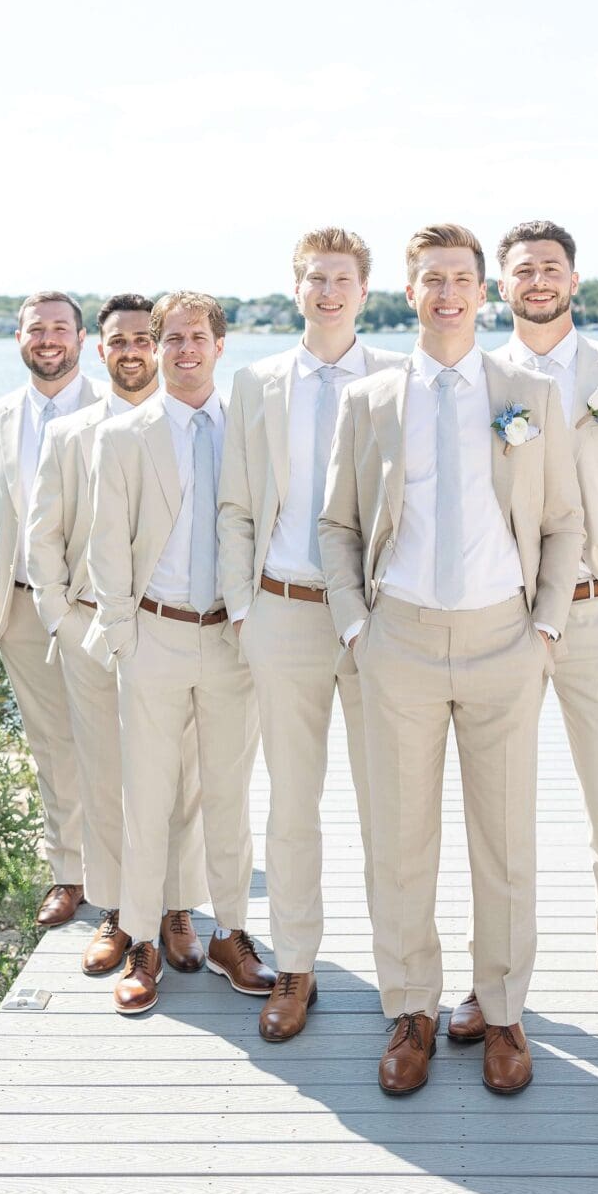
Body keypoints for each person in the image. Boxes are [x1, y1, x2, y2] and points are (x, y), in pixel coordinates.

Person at [319, 224, 584, 1099]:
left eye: (461, 279)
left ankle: (503, 1010)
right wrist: (358, 628)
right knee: (399, 841)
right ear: (409, 292)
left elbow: (560, 522)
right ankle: (411, 1009)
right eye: (430, 279)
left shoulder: (527, 393)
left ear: (483, 293)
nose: (446, 293)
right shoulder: (371, 399)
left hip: (503, 641)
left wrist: (544, 629)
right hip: (397, 641)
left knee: (505, 841)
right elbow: (338, 527)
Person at [470, 220, 598, 1049]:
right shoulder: (478, 378)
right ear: (502, 285)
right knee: (496, 812)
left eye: (550, 267)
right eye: (523, 269)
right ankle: (496, 988)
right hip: (503, 619)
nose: (538, 280)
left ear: (574, 278)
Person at [219, 229, 394, 1041]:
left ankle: (405, 982)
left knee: (390, 805)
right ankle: (295, 964)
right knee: (292, 803)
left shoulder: (400, 378)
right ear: (298, 290)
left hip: (378, 619)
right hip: (282, 611)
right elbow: (235, 505)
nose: (328, 291)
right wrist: (244, 608)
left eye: (342, 279)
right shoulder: (254, 383)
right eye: (315, 278)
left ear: (364, 291)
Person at [85, 291, 272, 1016]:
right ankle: (142, 941)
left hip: (232, 637)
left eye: (198, 337)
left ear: (220, 346)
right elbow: (106, 547)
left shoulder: (250, 432)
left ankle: (230, 931)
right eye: (171, 340)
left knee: (228, 797)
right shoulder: (125, 437)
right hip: (154, 636)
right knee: (148, 798)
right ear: (155, 348)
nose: (184, 350)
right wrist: (126, 639)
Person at [26, 294, 208, 980]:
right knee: (105, 776)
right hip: (92, 632)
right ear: (99, 351)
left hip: (173, 629)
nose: (131, 350)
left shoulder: (191, 428)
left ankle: (176, 908)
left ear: (159, 345)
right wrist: (63, 621)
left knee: (181, 778)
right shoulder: (71, 435)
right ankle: (115, 911)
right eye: (118, 341)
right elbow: (41, 538)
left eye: (143, 338)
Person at [0, 292, 100, 926]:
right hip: (20, 613)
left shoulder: (118, 410)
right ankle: (68, 875)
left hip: (99, 610)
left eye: (60, 328)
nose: (49, 339)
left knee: (118, 743)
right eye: (36, 328)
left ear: (81, 338)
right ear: (19, 337)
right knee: (50, 747)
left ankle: (132, 879)